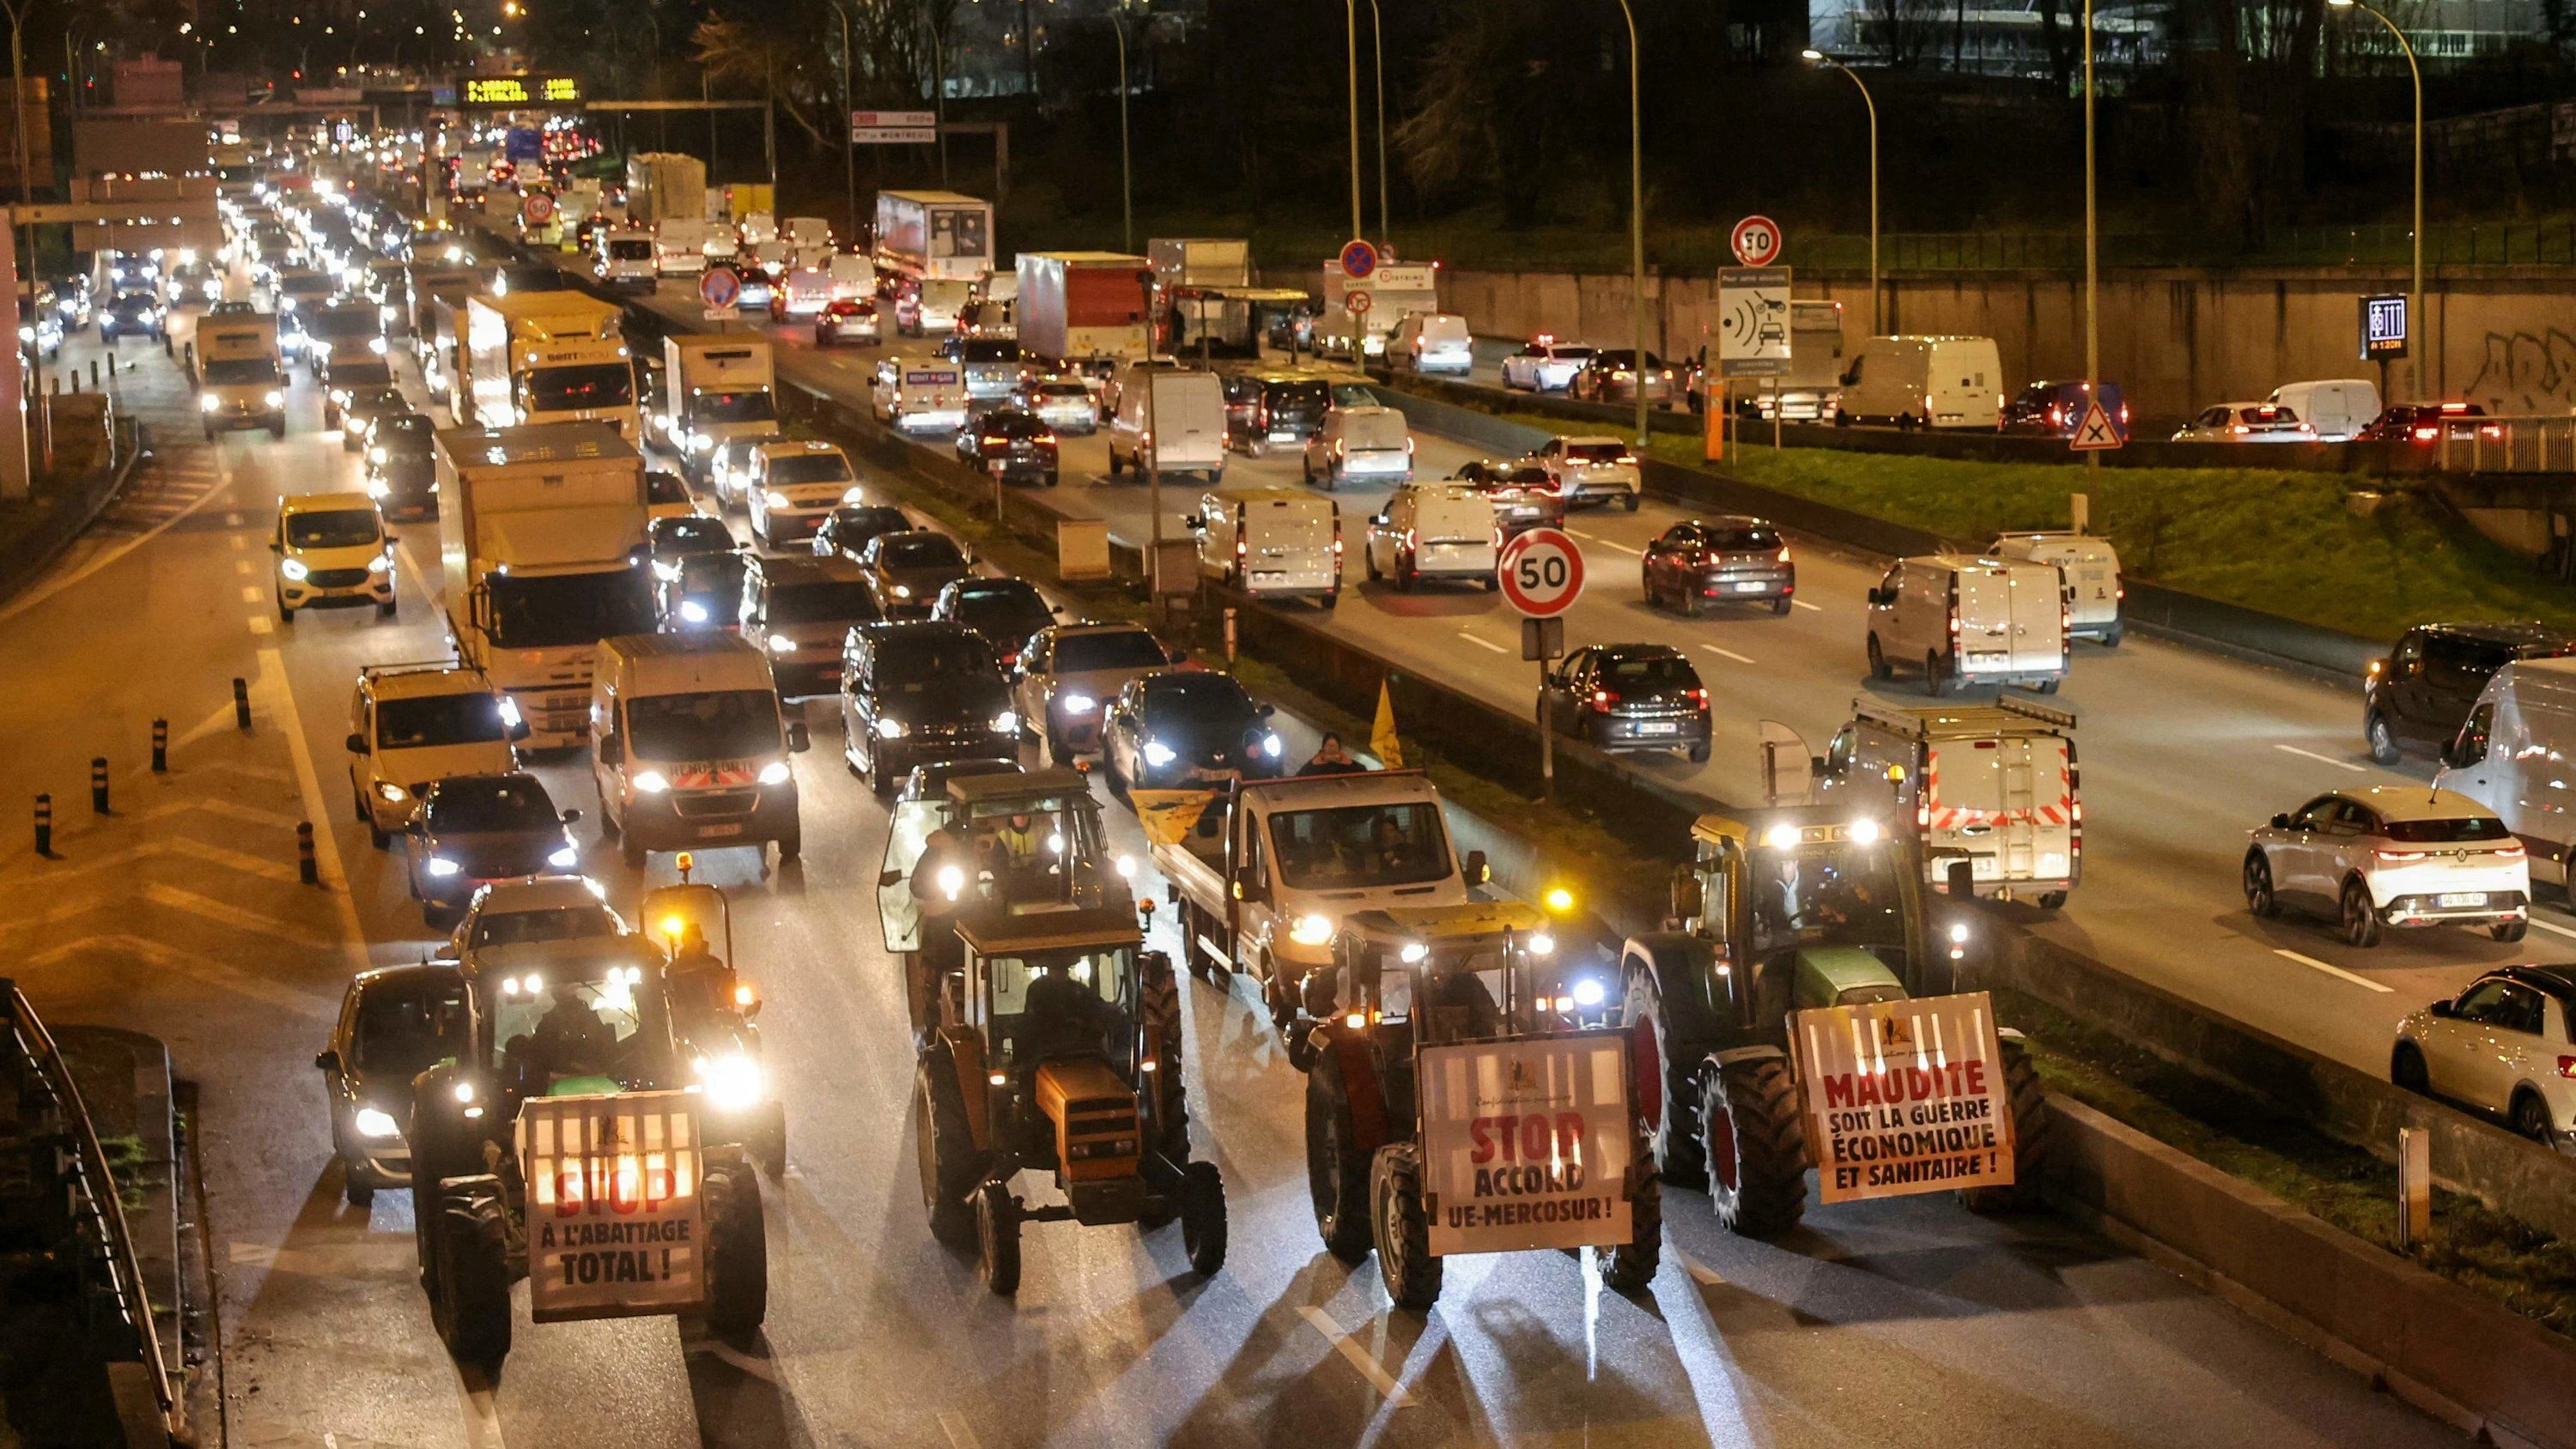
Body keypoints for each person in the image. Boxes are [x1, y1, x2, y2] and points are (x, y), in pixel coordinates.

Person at [1300, 732, 1364, 777]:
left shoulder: (1351, 765)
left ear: (1339, 748)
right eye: (1329, 746)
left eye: (1334, 746)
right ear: (1323, 747)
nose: (1331, 749)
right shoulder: (1311, 766)